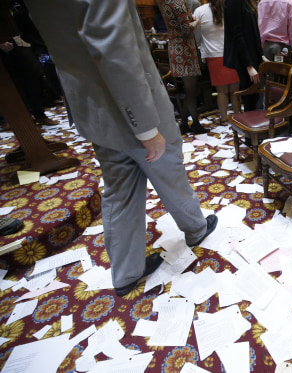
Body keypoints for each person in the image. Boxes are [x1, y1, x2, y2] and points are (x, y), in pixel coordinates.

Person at [24, 0, 218, 297]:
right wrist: (146, 128)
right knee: (169, 174)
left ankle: (126, 272)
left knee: (119, 189)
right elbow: (114, 51)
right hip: (135, 108)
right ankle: (195, 229)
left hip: (92, 108)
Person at [157, 0, 209, 134]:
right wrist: (196, 21)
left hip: (176, 46)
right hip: (185, 48)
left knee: (189, 89)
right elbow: (187, 29)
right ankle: (195, 124)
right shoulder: (178, 3)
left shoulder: (165, 2)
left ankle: (184, 123)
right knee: (192, 90)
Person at [194, 0, 241, 125]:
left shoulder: (200, 11)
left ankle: (224, 119)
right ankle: (238, 117)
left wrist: (202, 50)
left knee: (221, 91)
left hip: (213, 54)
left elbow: (197, 35)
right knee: (235, 91)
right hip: (233, 53)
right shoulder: (232, 7)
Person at [224, 0, 262, 112]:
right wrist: (248, 65)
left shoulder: (247, 3)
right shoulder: (234, 2)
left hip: (252, 56)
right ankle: (249, 127)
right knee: (249, 98)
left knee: (254, 97)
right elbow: (237, 34)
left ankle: (252, 125)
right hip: (245, 59)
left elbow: (253, 32)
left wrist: (260, 54)